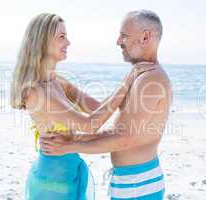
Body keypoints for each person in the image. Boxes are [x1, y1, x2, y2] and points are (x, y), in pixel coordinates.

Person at [10, 13, 150, 200]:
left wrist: (139, 90)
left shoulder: (58, 82)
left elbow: (97, 108)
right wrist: (127, 81)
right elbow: (89, 125)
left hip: (70, 172)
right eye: (62, 37)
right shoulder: (37, 91)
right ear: (42, 41)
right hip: (53, 180)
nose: (68, 42)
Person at [40, 10, 172, 200]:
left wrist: (70, 145)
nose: (118, 41)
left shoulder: (151, 78)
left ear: (145, 37)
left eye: (124, 35)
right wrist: (70, 89)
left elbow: (123, 138)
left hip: (138, 184)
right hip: (132, 180)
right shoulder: (140, 75)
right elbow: (104, 112)